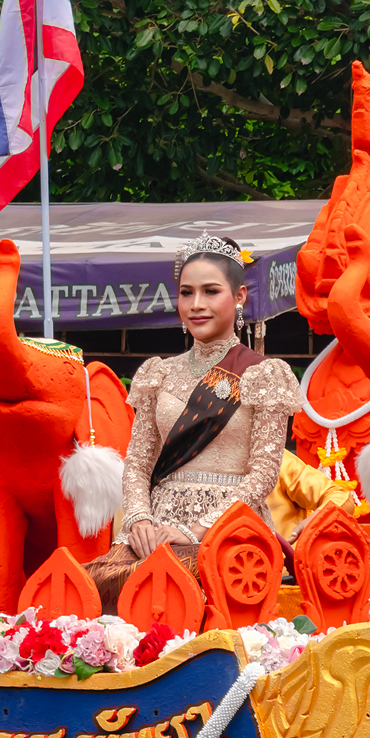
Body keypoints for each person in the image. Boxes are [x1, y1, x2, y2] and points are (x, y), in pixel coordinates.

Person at [87, 236, 302, 604]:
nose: (197, 304)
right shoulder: (158, 374)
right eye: (187, 292)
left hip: (229, 530)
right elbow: (138, 463)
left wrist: (195, 529)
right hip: (154, 531)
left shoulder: (263, 375)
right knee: (97, 592)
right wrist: (140, 519)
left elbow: (264, 473)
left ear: (239, 297)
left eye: (211, 291)